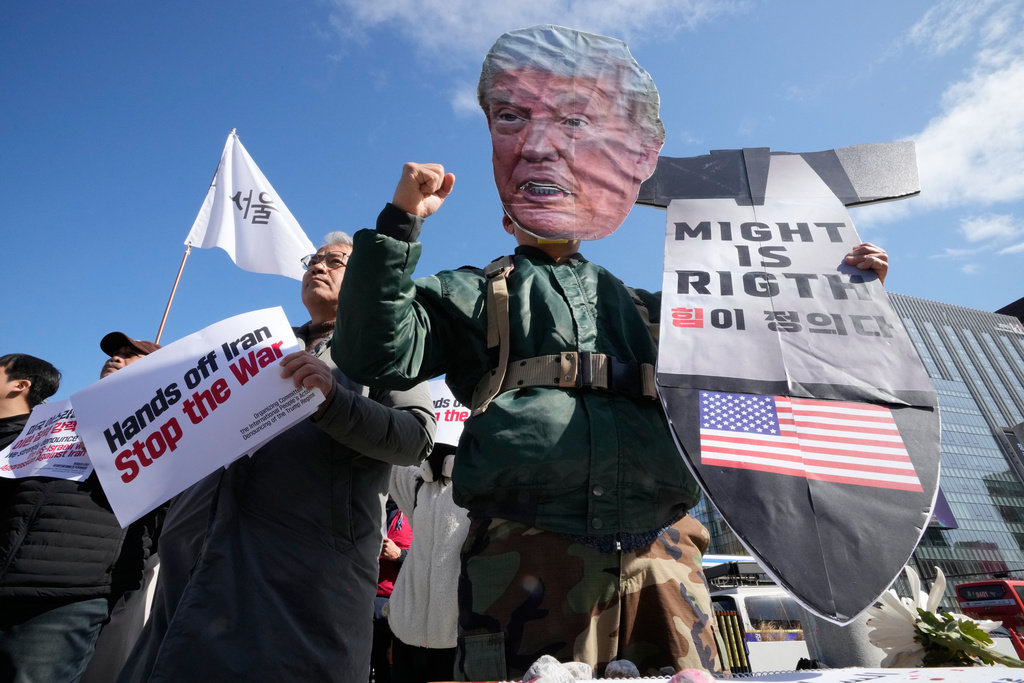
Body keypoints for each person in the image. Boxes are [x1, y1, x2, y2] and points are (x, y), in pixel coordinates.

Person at [334, 25, 889, 679]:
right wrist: (400, 223)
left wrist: (838, 288)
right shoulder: (473, 291)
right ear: (507, 214)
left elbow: (765, 352)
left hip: (664, 550)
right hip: (525, 552)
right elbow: (375, 353)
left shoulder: (658, 304)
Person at [118, 231, 436, 683]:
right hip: (190, 567)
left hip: (298, 579)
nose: (318, 267)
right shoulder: (255, 348)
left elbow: (415, 437)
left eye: (336, 261)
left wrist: (332, 402)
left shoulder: (384, 350)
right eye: (314, 259)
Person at [387, 444, 470, 683]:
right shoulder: (419, 484)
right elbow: (385, 455)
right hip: (407, 629)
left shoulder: (482, 487)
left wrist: (461, 464)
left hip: (457, 634)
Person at [370, 498, 411, 683]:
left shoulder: (415, 510)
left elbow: (431, 561)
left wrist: (399, 555)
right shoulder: (370, 508)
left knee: (386, 671)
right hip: (361, 605)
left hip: (396, 609)